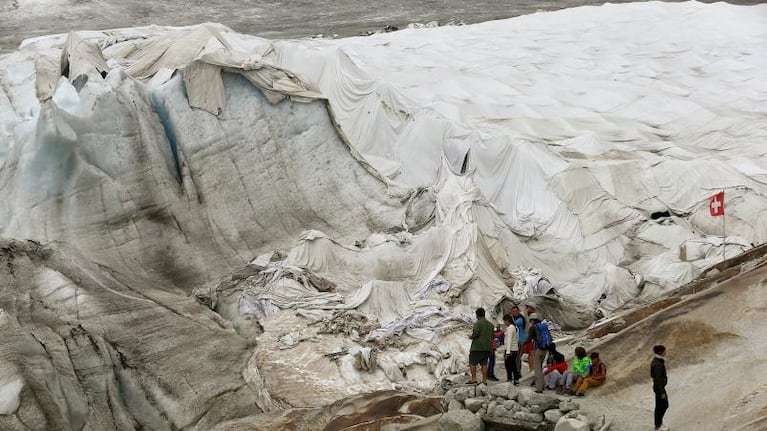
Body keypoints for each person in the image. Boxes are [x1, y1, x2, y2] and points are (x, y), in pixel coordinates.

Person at [468, 307, 495, 384]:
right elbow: (493, 336)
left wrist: (471, 337)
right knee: (484, 364)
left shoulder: (477, 323)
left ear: (477, 315)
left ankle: (473, 379)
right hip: (487, 348)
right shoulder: (491, 325)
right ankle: (484, 380)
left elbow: (476, 334)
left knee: (472, 363)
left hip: (477, 347)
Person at [524, 313, 549, 393]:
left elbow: (529, 339)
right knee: (540, 367)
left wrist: (522, 343)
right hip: (545, 349)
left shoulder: (533, 328)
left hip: (537, 349)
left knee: (537, 369)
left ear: (532, 320)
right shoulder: (543, 326)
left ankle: (539, 388)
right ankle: (543, 385)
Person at [651, 345, 669, 431]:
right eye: (664, 351)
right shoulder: (657, 364)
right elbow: (657, 379)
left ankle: (659, 424)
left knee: (660, 406)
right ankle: (658, 425)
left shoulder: (658, 361)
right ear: (660, 352)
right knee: (663, 405)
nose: (666, 353)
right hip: (659, 388)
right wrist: (662, 392)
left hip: (659, 387)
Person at [502, 314, 521, 385]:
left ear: (507, 320)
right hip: (515, 349)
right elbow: (517, 339)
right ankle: (516, 379)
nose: (504, 323)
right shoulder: (516, 327)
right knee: (513, 365)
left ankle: (509, 379)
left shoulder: (510, 328)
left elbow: (509, 340)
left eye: (504, 321)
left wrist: (507, 352)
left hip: (510, 350)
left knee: (508, 365)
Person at [510, 306, 527, 377]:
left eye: (516, 311)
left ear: (518, 311)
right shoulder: (517, 318)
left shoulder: (520, 319)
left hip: (520, 340)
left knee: (517, 357)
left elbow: (513, 324)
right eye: (513, 311)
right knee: (516, 357)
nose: (514, 313)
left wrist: (510, 318)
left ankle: (517, 372)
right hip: (517, 340)